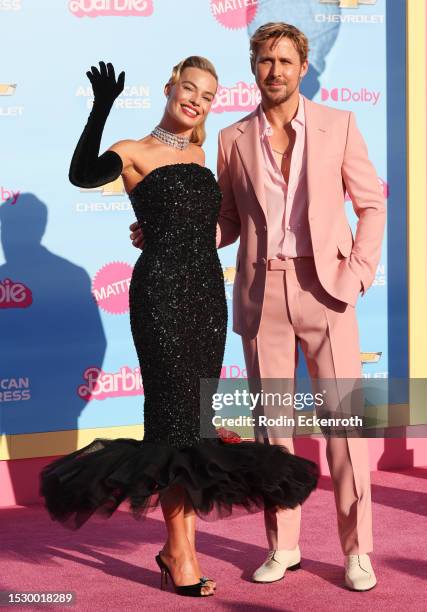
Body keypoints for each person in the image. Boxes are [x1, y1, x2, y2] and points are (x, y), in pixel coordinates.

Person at [39, 57, 319, 598]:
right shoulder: (133, 151)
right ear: (169, 89)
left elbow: (213, 226)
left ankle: (175, 549)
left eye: (208, 95)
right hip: (161, 298)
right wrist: (100, 108)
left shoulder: (202, 153)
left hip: (207, 298)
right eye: (188, 88)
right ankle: (181, 555)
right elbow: (82, 174)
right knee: (171, 425)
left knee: (195, 425)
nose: (196, 99)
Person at [130, 23, 386, 592]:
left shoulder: (339, 125)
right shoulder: (231, 138)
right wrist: (169, 230)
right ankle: (284, 546)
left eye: (286, 61)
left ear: (303, 67)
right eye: (266, 60)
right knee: (273, 429)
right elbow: (223, 221)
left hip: (328, 292)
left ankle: (357, 550)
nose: (275, 70)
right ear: (254, 68)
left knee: (343, 429)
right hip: (260, 294)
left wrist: (359, 274)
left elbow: (371, 205)